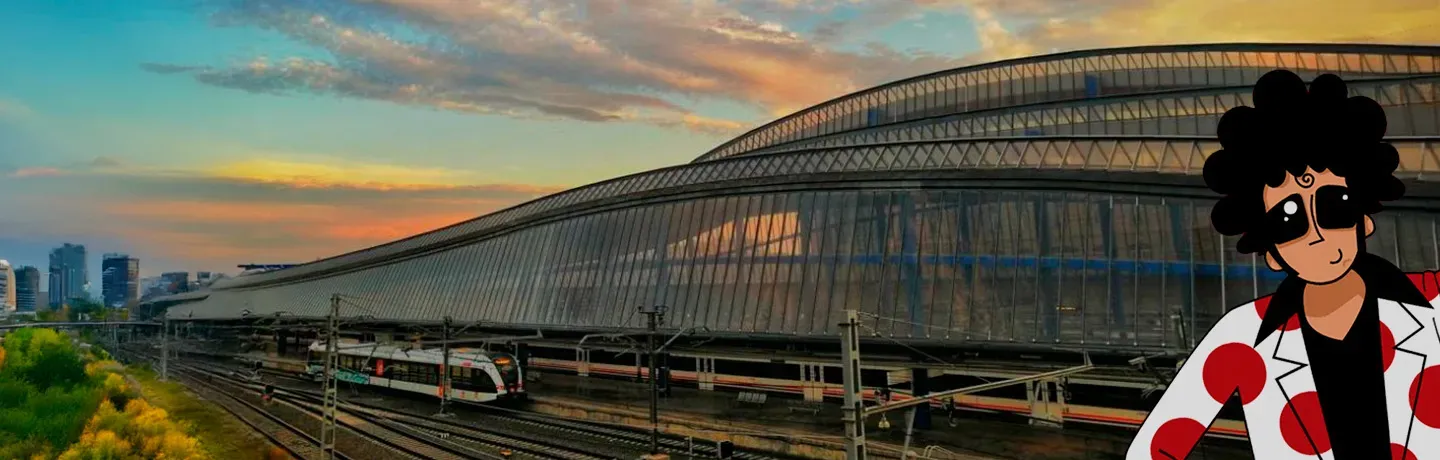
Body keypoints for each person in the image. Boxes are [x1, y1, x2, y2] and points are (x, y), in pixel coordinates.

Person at [1127, 69, 1440, 460]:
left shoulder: (1434, 304)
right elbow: (1155, 447)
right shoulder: (1242, 338)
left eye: (1335, 206)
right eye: (1288, 222)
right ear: (1272, 253)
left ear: (1364, 220)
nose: (1317, 233)